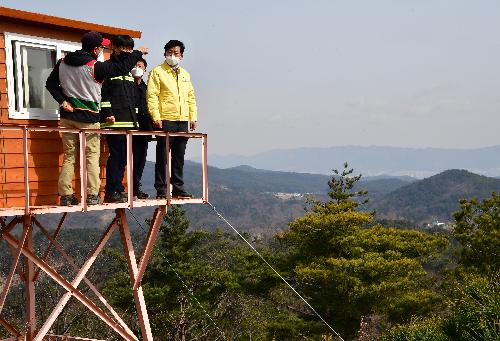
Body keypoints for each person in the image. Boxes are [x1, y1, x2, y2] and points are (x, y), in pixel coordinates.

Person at [46, 31, 148, 206]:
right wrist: (137, 53)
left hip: (68, 117)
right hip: (88, 117)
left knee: (70, 157)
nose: (102, 49)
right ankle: (92, 195)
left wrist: (63, 101)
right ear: (94, 49)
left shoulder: (62, 63)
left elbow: (50, 84)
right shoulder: (96, 67)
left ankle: (66, 196)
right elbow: (121, 68)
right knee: (91, 157)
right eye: (101, 47)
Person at [147, 40, 197, 199]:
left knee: (179, 156)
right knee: (162, 156)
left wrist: (193, 116)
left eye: (176, 53)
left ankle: (178, 188)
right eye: (169, 52)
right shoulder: (157, 72)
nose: (172, 56)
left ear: (181, 55)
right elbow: (152, 96)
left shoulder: (185, 74)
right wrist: (156, 116)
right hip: (165, 119)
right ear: (164, 53)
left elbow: (191, 97)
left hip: (183, 120)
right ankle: (161, 189)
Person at [100, 35, 144, 203]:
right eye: (124, 48)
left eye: (129, 49)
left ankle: (118, 188)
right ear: (115, 48)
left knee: (123, 158)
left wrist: (137, 117)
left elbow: (133, 97)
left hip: (130, 122)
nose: (127, 52)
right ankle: (111, 191)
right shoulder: (109, 68)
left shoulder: (128, 72)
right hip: (114, 122)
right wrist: (107, 113)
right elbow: (103, 94)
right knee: (116, 156)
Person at [131, 57, 153, 199]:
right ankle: (120, 188)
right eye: (135, 65)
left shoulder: (147, 89)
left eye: (140, 65)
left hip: (144, 128)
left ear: (144, 69)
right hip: (129, 127)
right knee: (125, 158)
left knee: (140, 160)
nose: (137, 67)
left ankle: (135, 187)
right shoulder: (127, 87)